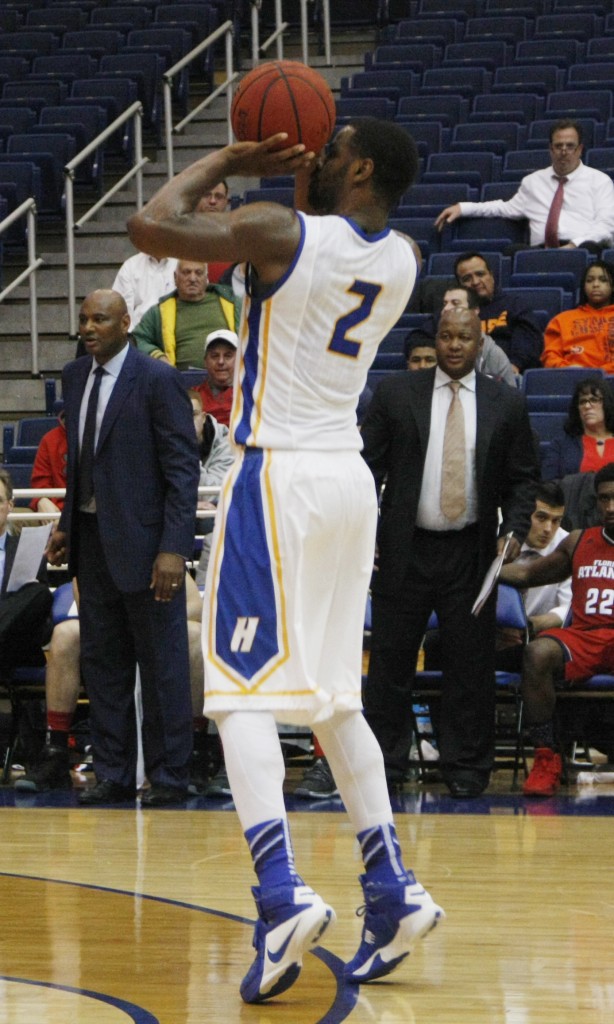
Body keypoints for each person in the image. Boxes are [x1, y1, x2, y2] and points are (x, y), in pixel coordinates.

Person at [127, 118, 445, 1001]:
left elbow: (149, 229)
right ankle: (389, 888)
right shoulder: (408, 259)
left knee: (237, 695)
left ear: (361, 168)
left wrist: (230, 160)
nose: (315, 151)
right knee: (337, 697)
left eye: (331, 144)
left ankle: (279, 896)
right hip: (349, 485)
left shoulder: (280, 231)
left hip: (279, 478)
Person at [360, 307, 539, 798]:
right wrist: (364, 533)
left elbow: (524, 479)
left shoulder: (506, 402)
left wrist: (516, 530)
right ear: (435, 341)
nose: (455, 345)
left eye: (464, 337)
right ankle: (384, 769)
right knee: (391, 665)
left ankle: (466, 770)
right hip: (404, 549)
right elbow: (364, 469)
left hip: (472, 551)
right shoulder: (398, 394)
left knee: (470, 667)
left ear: (480, 343)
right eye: (446, 336)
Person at [45, 289, 200, 806]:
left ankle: (170, 775)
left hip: (150, 549)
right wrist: (67, 522)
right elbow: (80, 463)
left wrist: (174, 548)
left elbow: (182, 469)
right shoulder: (73, 376)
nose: (89, 328)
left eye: (101, 319)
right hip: (92, 545)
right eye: (84, 319)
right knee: (104, 664)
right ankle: (112, 772)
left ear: (127, 322)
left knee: (163, 668)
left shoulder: (158, 379)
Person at [14, 575, 209, 793]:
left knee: (194, 634)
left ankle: (195, 749)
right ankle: (56, 749)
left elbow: (196, 607)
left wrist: (145, 626)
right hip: (111, 633)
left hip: (155, 630)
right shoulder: (94, 553)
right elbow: (89, 610)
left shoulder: (157, 552)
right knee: (64, 634)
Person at [500, 462, 614, 796]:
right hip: (585, 636)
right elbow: (527, 575)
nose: (611, 507)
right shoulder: (580, 541)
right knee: (538, 651)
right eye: (604, 499)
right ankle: (547, 757)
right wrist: (479, 568)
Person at [435, 119, 614, 254]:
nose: (564, 151)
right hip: (538, 254)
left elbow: (605, 227)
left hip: (580, 251)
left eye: (570, 146)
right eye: (559, 146)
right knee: (512, 252)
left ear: (580, 149)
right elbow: (504, 208)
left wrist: (573, 245)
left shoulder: (599, 181)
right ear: (551, 149)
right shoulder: (533, 181)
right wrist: (463, 208)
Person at [132, 259, 241, 370]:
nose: (192, 279)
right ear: (175, 277)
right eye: (186, 272)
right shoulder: (159, 312)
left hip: (229, 380)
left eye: (198, 273)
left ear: (206, 278)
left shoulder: (233, 304)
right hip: (180, 381)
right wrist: (159, 357)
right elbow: (136, 339)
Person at [404, 285, 517, 386]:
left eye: (455, 303)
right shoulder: (427, 337)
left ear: (474, 311)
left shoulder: (493, 354)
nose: (446, 308)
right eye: (445, 303)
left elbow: (509, 398)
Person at [0, 468, 53, 674]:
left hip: (13, 643)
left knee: (39, 593)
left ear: (10, 506)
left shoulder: (27, 547)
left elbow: (43, 622)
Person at [453, 251, 543, 373]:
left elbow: (528, 341)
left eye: (480, 274)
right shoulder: (452, 312)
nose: (475, 282)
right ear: (459, 285)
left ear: (491, 276)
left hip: (509, 373)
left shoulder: (515, 305)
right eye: (467, 278)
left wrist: (514, 365)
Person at [189, 389, 234, 585]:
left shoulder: (226, 442)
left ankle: (205, 593)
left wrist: (185, 452)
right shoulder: (159, 440)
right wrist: (191, 503)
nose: (186, 422)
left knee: (212, 521)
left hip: (209, 518)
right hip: (180, 513)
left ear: (203, 416)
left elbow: (213, 493)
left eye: (192, 415)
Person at [541, 260, 614, 372]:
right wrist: (567, 369)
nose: (595, 285)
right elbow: (550, 356)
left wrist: (599, 373)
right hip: (570, 379)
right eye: (589, 280)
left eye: (603, 280)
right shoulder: (562, 320)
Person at [542, 376, 614, 481]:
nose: (587, 406)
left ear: (607, 403)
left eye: (594, 400)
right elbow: (548, 484)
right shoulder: (560, 445)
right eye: (582, 402)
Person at [112, 252, 178, 331]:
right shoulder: (131, 266)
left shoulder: (181, 264)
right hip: (139, 333)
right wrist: (133, 337)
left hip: (175, 332)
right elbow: (120, 310)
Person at [191, 328, 238, 426]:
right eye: (215, 356)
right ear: (205, 361)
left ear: (239, 360)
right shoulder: (192, 397)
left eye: (228, 356)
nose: (221, 361)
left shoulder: (252, 395)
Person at [29, 404, 67, 522]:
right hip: (53, 512)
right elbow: (40, 484)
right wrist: (41, 500)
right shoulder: (49, 439)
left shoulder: (98, 440)